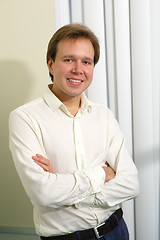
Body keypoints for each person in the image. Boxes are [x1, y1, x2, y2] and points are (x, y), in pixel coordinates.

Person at [9, 23, 139, 240]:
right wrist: (103, 174)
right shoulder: (25, 118)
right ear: (51, 64)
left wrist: (64, 188)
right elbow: (44, 193)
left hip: (117, 231)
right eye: (69, 59)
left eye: (86, 62)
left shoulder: (103, 115)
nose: (78, 69)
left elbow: (131, 184)